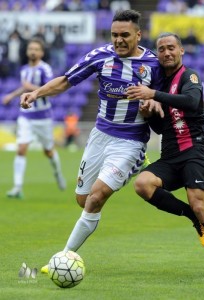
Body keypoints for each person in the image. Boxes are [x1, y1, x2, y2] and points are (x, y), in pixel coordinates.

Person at [20, 10, 163, 273]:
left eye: (125, 35)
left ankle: (62, 259)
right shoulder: (100, 57)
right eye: (114, 34)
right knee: (82, 198)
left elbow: (165, 94)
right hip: (99, 136)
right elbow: (65, 81)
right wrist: (37, 92)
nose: (118, 40)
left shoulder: (153, 64)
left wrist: (154, 101)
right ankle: (137, 164)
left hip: (130, 141)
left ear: (138, 35)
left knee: (96, 198)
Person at [126, 32, 204, 279]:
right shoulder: (158, 84)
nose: (166, 53)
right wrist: (149, 114)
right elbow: (161, 127)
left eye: (171, 48)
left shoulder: (189, 76)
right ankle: (191, 216)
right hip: (170, 155)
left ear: (181, 51)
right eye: (161, 49)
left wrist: (153, 96)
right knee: (143, 184)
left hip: (193, 152)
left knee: (200, 205)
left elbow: (191, 102)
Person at [2, 38, 66, 198]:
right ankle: (17, 187)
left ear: (42, 53)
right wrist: (12, 95)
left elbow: (52, 89)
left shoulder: (45, 69)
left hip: (43, 117)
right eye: (31, 48)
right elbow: (24, 87)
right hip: (26, 116)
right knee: (21, 149)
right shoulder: (24, 70)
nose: (33, 51)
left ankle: (58, 173)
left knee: (49, 151)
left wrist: (31, 88)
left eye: (36, 49)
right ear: (27, 51)